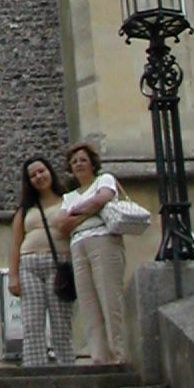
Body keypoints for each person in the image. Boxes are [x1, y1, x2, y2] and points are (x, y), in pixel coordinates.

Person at [59, 140, 128, 365]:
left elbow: (103, 198)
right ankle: (98, 357)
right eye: (74, 161)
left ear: (92, 164)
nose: (78, 164)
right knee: (88, 305)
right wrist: (90, 210)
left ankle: (118, 355)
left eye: (83, 160)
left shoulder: (104, 179)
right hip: (78, 246)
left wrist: (76, 213)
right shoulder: (69, 196)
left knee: (110, 299)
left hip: (103, 240)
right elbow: (63, 226)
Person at [7, 155, 75, 368]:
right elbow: (15, 244)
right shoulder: (25, 209)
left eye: (41, 171)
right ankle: (34, 370)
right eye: (32, 175)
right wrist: (13, 276)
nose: (38, 177)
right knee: (32, 324)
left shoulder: (68, 200)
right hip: (29, 266)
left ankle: (67, 369)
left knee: (61, 323)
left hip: (59, 264)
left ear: (50, 172)